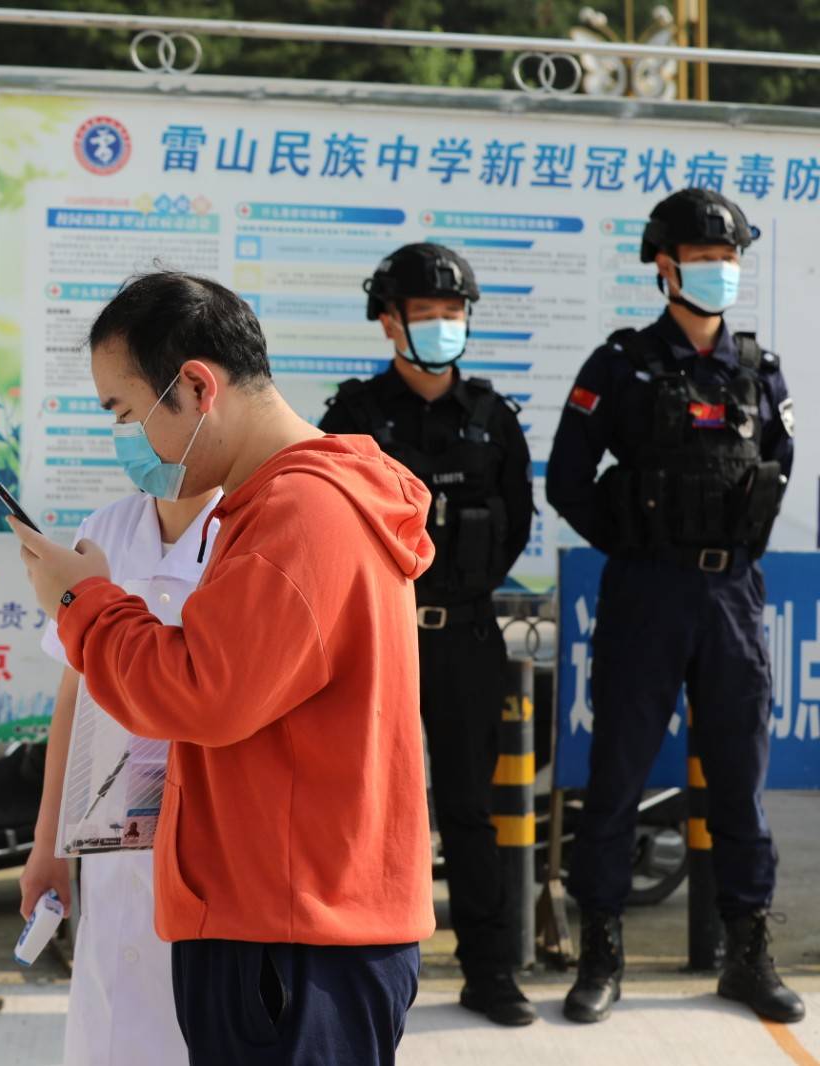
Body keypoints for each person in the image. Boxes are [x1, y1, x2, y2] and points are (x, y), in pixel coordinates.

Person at [8, 271, 436, 1066]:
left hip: (289, 933)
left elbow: (198, 692)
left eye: (127, 413)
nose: (126, 438)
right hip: (284, 918)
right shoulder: (291, 502)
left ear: (198, 387)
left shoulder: (300, 513)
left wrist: (84, 604)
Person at [546, 188, 801, 1025]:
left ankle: (747, 949)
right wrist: (634, 540)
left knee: (739, 779)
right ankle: (601, 952)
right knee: (617, 774)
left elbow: (778, 460)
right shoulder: (619, 364)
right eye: (703, 257)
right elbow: (568, 479)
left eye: (730, 259)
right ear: (664, 264)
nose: (719, 271)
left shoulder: (758, 368)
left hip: (731, 595)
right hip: (647, 593)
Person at [320, 243, 536, 1026]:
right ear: (389, 322)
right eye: (426, 314)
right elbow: (326, 521)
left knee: (472, 809)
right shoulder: (351, 418)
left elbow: (516, 521)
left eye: (454, 314)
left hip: (467, 638)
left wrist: (461, 591)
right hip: (377, 644)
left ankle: (489, 970)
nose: (443, 326)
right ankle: (358, 971)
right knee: (365, 808)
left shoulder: (492, 416)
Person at [20, 476, 221, 1066]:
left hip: (208, 845)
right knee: (112, 1023)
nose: (128, 432)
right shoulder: (103, 532)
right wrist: (49, 844)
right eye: (115, 413)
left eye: (130, 408)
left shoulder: (245, 527)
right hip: (111, 840)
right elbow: (75, 694)